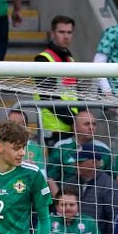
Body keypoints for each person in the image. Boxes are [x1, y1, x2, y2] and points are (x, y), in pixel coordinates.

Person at [62, 142, 118, 234]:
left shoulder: (109, 185)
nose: (76, 164)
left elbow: (114, 220)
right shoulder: (70, 183)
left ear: (93, 163)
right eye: (75, 161)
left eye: (80, 161)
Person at [33, 15, 79, 144]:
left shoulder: (70, 60)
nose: (66, 36)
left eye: (69, 32)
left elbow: (78, 94)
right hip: (52, 130)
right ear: (52, 34)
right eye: (61, 32)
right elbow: (47, 96)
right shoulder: (43, 59)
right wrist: (75, 120)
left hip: (72, 129)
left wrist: (79, 119)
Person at [48, 110, 112, 184]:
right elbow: (51, 178)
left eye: (94, 124)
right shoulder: (61, 147)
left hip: (96, 194)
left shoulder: (104, 149)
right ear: (75, 127)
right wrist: (58, 195)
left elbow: (110, 180)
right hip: (66, 193)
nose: (91, 127)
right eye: (86, 124)